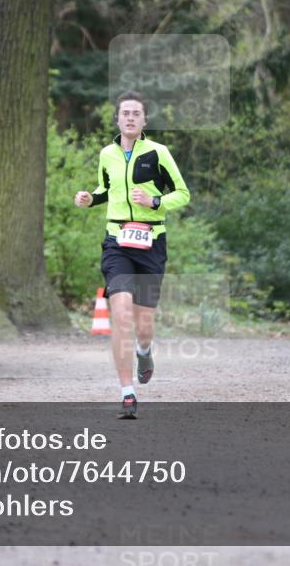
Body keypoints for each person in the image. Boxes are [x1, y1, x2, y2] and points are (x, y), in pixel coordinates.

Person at [74, 91, 190, 418]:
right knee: (120, 314)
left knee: (143, 325)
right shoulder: (107, 154)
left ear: (144, 121)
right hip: (117, 241)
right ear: (117, 119)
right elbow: (105, 189)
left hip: (151, 242)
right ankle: (127, 392)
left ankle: (144, 350)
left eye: (135, 113)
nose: (129, 118)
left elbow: (183, 194)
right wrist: (89, 198)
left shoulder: (158, 153)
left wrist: (154, 202)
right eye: (124, 113)